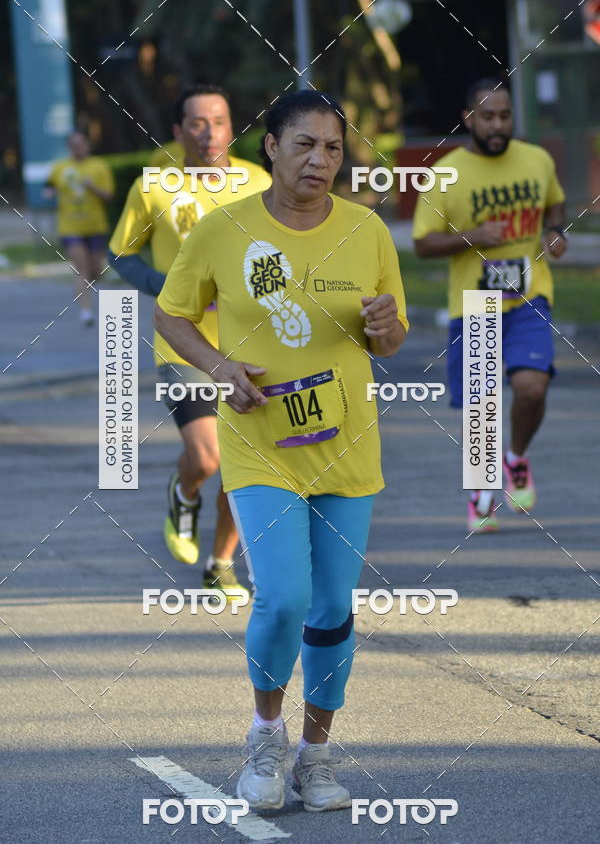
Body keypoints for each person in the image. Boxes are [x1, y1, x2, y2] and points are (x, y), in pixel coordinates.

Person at [154, 90, 408, 812]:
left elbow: (387, 339)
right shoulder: (224, 229)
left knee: (332, 605)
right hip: (260, 441)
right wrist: (219, 368)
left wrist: (388, 328)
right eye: (304, 144)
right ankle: (266, 737)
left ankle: (316, 755)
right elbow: (171, 314)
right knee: (284, 598)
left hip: (347, 448)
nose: (319, 160)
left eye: (332, 147)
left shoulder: (367, 232)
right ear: (270, 147)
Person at [108, 85, 271, 595]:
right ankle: (184, 490)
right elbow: (120, 255)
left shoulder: (258, 181)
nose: (210, 133)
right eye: (197, 123)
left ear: (232, 126)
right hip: (183, 343)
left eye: (219, 121)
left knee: (246, 466)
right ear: (178, 131)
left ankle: (219, 562)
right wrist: (172, 288)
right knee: (207, 458)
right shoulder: (155, 185)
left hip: (254, 345)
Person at [413, 78, 566, 532]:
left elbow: (555, 206)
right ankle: (482, 489)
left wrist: (555, 233)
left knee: (532, 388)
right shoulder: (445, 173)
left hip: (529, 296)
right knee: (481, 406)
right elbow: (422, 244)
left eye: (505, 116)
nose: (498, 125)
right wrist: (473, 238)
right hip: (474, 304)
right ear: (468, 119)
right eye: (488, 117)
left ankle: (515, 458)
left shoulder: (536, 161)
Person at [45, 131, 114, 326]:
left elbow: (108, 196)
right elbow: (48, 186)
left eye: (81, 144)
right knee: (81, 268)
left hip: (95, 226)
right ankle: (86, 312)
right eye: (73, 145)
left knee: (96, 271)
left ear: (87, 145)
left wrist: (92, 187)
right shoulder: (60, 168)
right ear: (69, 147)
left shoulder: (99, 166)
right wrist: (50, 191)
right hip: (70, 226)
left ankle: (85, 287)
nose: (78, 148)